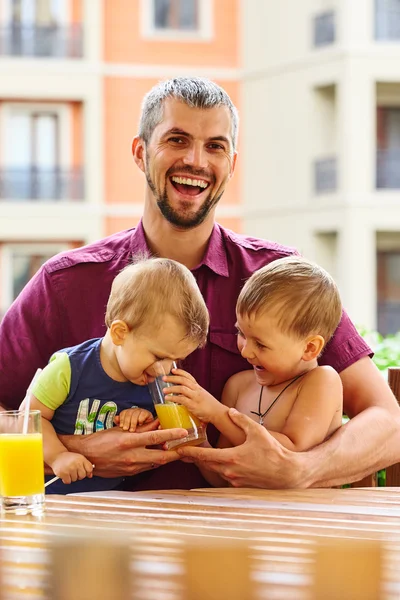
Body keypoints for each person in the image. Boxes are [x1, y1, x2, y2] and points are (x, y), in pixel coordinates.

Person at [0, 76, 398, 491]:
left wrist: (303, 468)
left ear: (232, 163)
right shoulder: (66, 283)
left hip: (251, 540)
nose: (196, 161)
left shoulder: (279, 278)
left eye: (215, 146)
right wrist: (70, 450)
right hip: (105, 543)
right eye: (176, 139)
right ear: (140, 152)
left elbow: (388, 423)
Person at [21, 258, 209, 494]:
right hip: (52, 497)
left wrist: (140, 419)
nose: (167, 368)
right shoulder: (69, 368)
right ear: (120, 333)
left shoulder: (151, 380)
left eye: (176, 359)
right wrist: (58, 456)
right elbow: (28, 418)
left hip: (110, 503)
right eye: (159, 356)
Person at [162, 257, 343, 486]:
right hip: (243, 514)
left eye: (261, 344)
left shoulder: (320, 381)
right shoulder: (238, 386)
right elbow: (223, 478)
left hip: (303, 516)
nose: (246, 352)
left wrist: (217, 413)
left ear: (309, 348)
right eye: (242, 335)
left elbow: (290, 451)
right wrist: (198, 442)